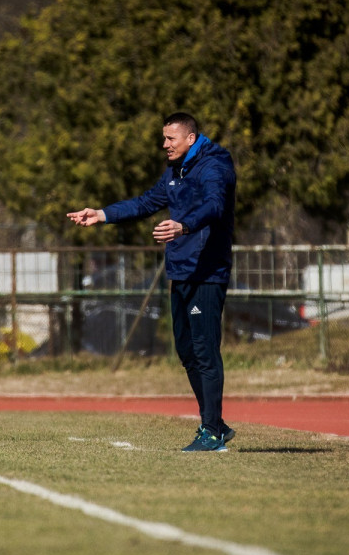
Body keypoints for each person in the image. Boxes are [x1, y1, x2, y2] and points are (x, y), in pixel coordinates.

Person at [67, 112, 236, 452]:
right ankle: (215, 424)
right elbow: (146, 202)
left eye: (170, 139)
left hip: (207, 273)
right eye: (164, 138)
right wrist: (101, 214)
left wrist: (183, 225)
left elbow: (214, 206)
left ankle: (212, 431)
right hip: (182, 270)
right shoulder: (176, 170)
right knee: (187, 351)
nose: (164, 145)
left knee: (205, 351)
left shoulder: (215, 166)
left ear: (190, 138)